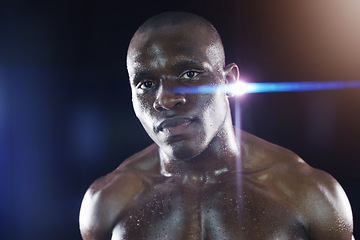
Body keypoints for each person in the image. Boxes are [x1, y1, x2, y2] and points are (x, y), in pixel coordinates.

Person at [79, 12, 354, 239]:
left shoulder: (307, 194)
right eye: (146, 84)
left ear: (229, 82)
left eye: (189, 73)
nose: (165, 99)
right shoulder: (107, 202)